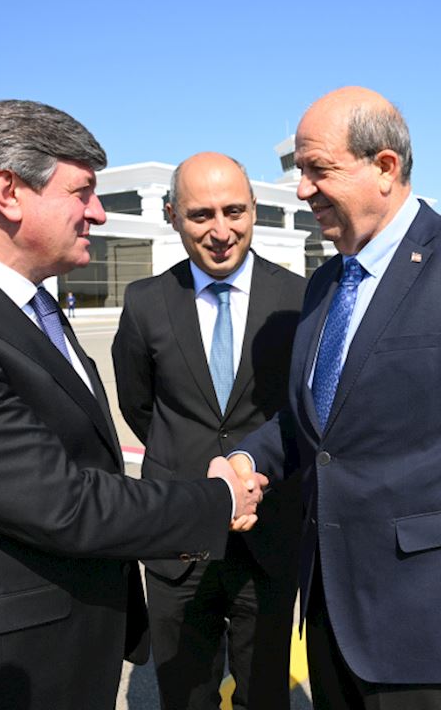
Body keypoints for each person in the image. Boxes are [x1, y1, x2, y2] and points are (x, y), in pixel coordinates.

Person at [0, 100, 265, 710]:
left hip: (63, 655)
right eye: (82, 191)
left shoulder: (27, 307)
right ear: (8, 193)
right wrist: (219, 497)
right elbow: (63, 502)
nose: (98, 211)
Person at [229, 87, 441, 710]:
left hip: (430, 627)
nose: (302, 190)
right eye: (300, 171)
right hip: (330, 612)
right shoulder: (326, 282)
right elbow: (317, 422)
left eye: (318, 170)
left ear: (384, 167)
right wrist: (248, 457)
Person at [112, 152, 306, 709]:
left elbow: (302, 411)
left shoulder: (299, 299)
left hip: (268, 536)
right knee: (185, 695)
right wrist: (189, 461)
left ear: (254, 210)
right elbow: (139, 406)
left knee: (264, 694)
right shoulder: (145, 302)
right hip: (178, 535)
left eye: (234, 211)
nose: (221, 231)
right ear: (172, 216)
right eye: (201, 215)